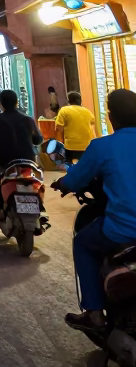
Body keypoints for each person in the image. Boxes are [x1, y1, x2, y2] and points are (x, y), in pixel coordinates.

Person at [52, 89, 136, 332]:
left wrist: (63, 184)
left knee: (84, 244)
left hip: (122, 230)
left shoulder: (103, 146)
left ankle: (95, 313)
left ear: (111, 117)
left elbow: (75, 180)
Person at [0, 89, 42, 214]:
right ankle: (41, 204)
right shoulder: (29, 120)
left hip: (5, 162)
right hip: (29, 160)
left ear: (1, 104)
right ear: (17, 102)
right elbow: (38, 139)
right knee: (38, 176)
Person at [55, 90, 98, 164]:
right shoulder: (88, 112)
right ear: (80, 101)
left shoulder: (64, 110)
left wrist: (61, 141)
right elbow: (92, 127)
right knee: (85, 165)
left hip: (71, 145)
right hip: (87, 145)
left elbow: (59, 128)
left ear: (69, 100)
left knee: (70, 166)